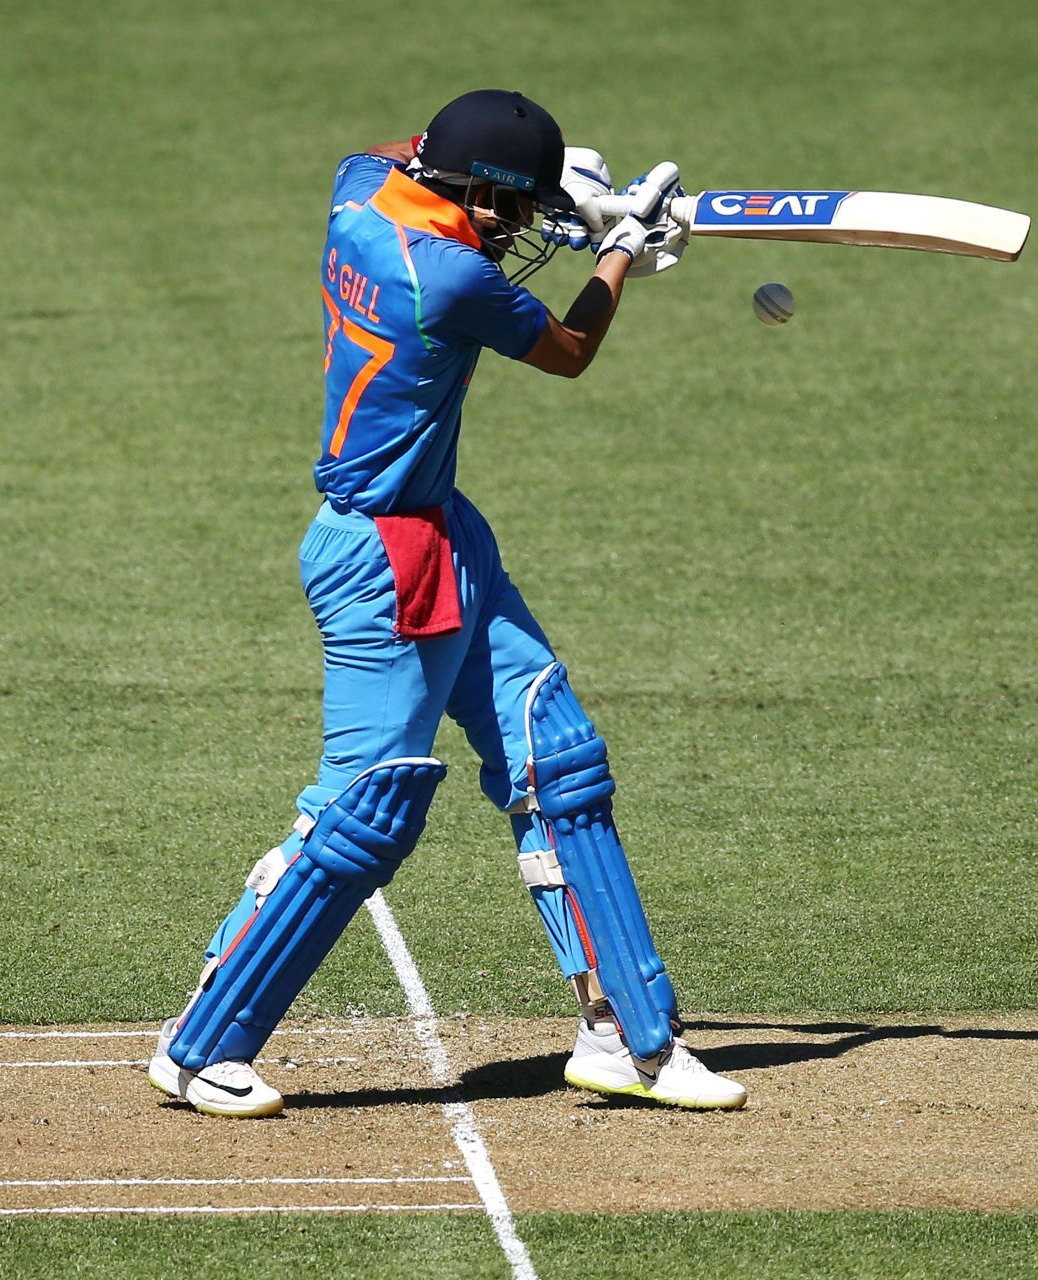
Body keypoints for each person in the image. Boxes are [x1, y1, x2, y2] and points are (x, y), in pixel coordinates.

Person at [151, 89, 746, 1118]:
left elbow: (395, 152)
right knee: (368, 807)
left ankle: (627, 1035)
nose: (516, 232)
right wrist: (621, 251)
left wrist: (565, 193)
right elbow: (569, 350)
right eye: (509, 211)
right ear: (470, 191)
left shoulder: (361, 191)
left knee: (555, 755)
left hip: (441, 527)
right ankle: (202, 1043)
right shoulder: (449, 276)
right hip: (384, 556)